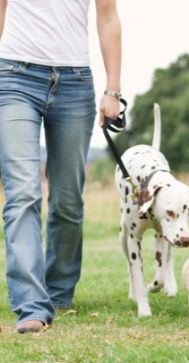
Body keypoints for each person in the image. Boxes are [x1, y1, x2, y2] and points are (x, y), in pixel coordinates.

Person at [0, 0, 122, 333]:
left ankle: (58, 293)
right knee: (23, 192)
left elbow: (108, 17)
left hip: (75, 83)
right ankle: (31, 305)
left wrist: (113, 89)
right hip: (14, 77)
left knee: (68, 199)